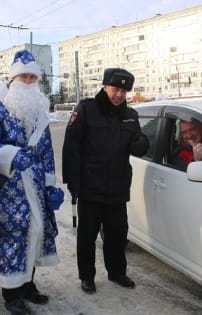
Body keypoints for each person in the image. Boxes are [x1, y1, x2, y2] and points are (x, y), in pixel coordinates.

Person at [0, 49, 64, 315]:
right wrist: (12, 157)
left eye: (32, 78)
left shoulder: (39, 108)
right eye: (23, 77)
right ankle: (11, 292)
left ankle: (27, 284)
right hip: (8, 186)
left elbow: (47, 149)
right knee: (11, 234)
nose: (28, 82)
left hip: (35, 183)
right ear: (13, 79)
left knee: (35, 232)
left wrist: (50, 183)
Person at [62, 68, 149, 294]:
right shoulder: (87, 109)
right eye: (115, 89)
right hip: (90, 186)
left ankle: (117, 272)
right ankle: (87, 276)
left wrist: (141, 144)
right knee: (87, 235)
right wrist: (73, 181)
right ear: (105, 86)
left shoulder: (130, 115)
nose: (119, 94)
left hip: (117, 187)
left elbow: (136, 142)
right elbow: (71, 147)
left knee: (117, 234)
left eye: (123, 90)